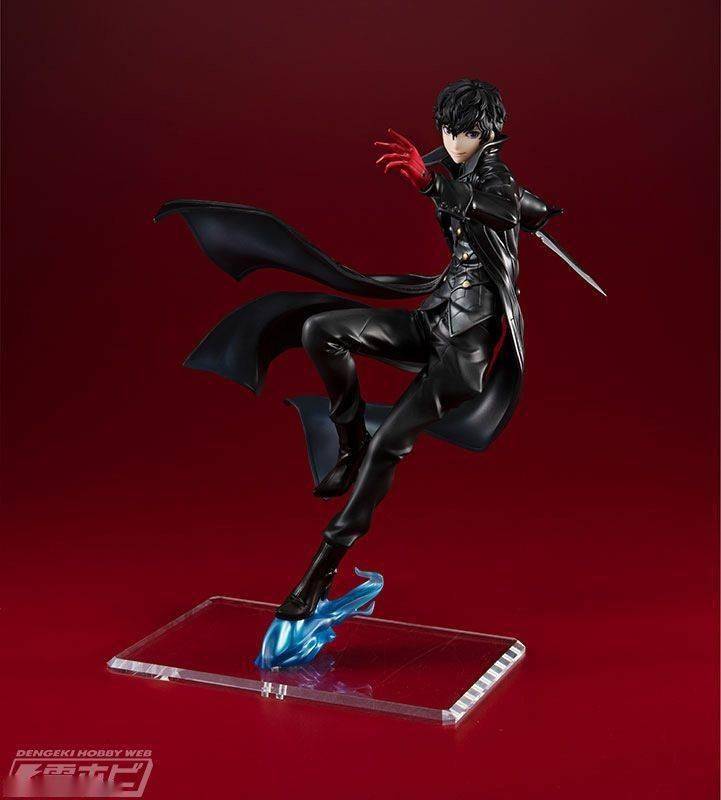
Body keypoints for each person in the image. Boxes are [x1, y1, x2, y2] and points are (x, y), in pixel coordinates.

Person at [155, 78, 570, 622]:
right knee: (321, 329)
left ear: (488, 133)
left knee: (388, 449)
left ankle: (319, 574)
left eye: (465, 132)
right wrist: (538, 210)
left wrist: (435, 186)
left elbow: (501, 207)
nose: (452, 141)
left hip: (462, 353)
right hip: (432, 321)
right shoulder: (460, 168)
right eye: (446, 129)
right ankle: (349, 439)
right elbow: (514, 209)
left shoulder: (495, 178)